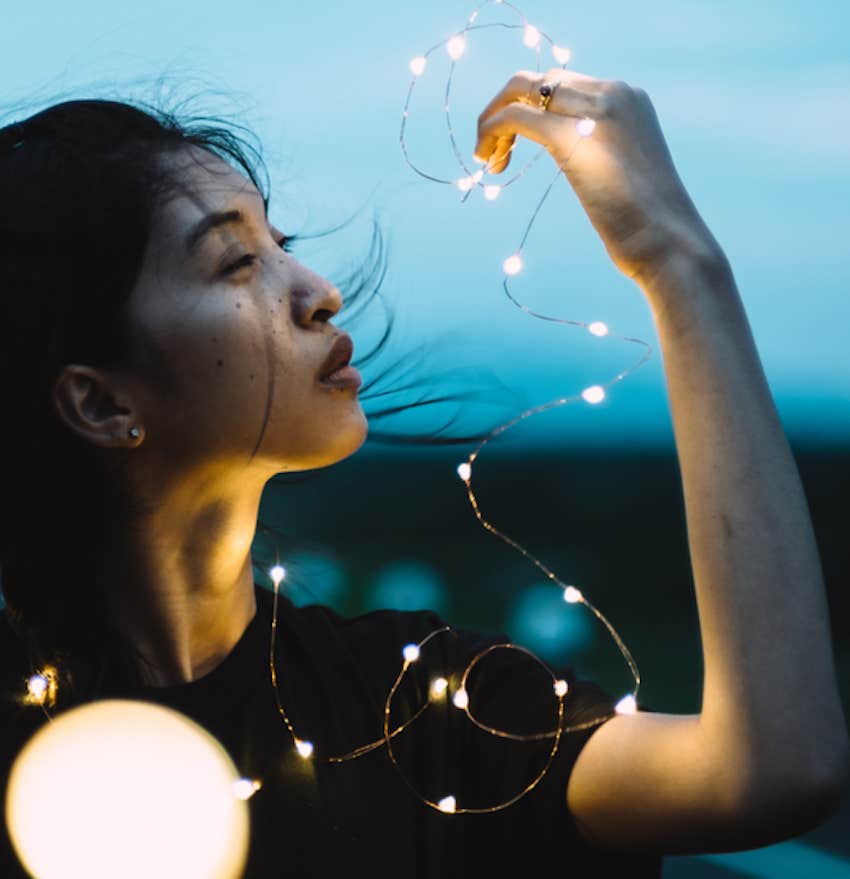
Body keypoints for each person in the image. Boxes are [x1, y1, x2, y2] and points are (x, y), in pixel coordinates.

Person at [0, 66, 847, 878]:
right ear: (101, 403)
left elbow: (770, 767)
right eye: (235, 263)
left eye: (281, 242)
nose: (319, 291)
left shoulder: (414, 711)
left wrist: (679, 260)